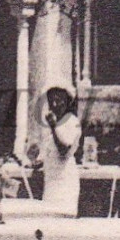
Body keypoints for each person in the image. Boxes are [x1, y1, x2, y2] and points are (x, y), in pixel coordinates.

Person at [40, 86, 82, 215]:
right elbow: (49, 152)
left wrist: (53, 127)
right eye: (51, 100)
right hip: (50, 182)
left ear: (67, 101)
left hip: (65, 183)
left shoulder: (72, 121)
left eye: (58, 100)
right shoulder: (50, 125)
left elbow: (63, 150)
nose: (54, 104)